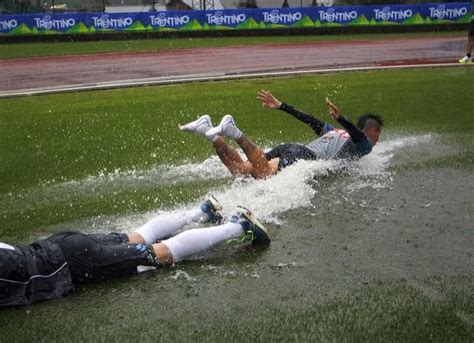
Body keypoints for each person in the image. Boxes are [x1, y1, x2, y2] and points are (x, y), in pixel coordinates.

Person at [0, 197, 270, 307]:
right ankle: (202, 212)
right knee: (137, 237)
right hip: (61, 244)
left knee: (160, 254)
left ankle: (238, 225)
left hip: (72, 261)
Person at [180, 90, 383, 179]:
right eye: (377, 134)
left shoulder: (334, 132)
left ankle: (210, 133)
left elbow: (309, 119)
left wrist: (282, 105)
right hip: (302, 157)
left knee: (241, 172)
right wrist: (342, 119)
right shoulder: (364, 144)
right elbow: (357, 135)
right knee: (263, 175)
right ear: (372, 131)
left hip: (292, 149)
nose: (378, 139)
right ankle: (233, 130)